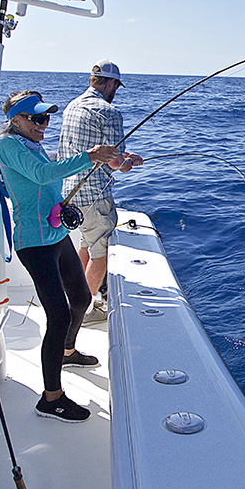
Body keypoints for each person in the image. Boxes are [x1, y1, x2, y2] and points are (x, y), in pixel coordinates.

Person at [0, 89, 123, 422]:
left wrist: (116, 160)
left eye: (47, 117)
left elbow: (51, 178)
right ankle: (51, 398)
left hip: (56, 235)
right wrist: (89, 156)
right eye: (37, 118)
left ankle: (66, 352)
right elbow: (42, 176)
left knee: (81, 297)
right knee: (58, 315)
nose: (44, 123)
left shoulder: (33, 146)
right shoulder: (9, 146)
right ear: (17, 121)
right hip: (34, 243)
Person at [58, 60, 143, 324]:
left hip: (70, 191)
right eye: (115, 85)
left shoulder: (73, 106)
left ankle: (75, 297)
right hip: (95, 195)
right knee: (101, 252)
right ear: (110, 83)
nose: (115, 90)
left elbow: (89, 149)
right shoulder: (110, 112)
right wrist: (128, 163)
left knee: (85, 242)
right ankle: (82, 311)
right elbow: (116, 164)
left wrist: (120, 156)